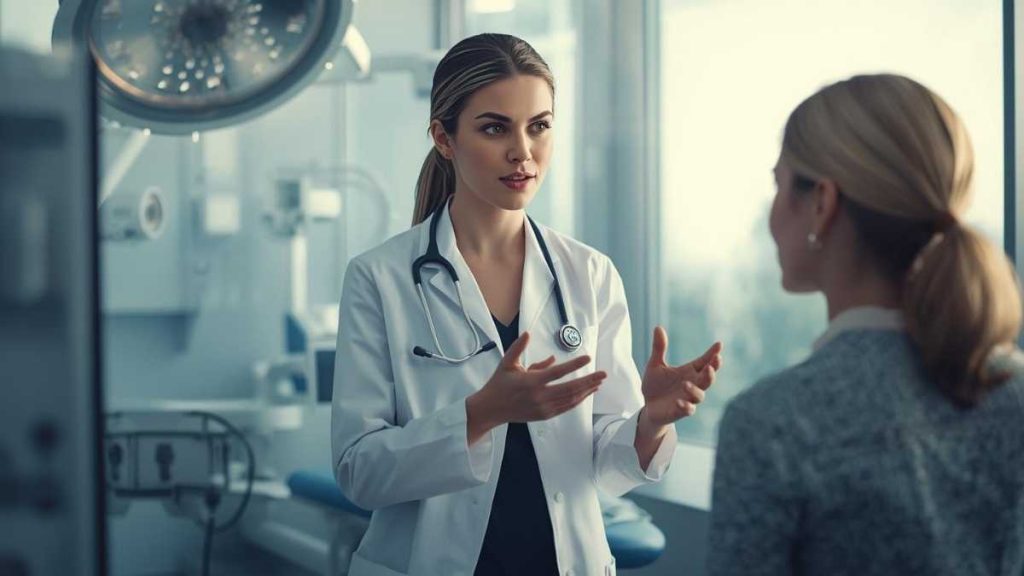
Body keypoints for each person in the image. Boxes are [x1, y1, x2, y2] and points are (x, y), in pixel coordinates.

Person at [331, 33, 722, 576]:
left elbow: (606, 469)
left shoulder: (588, 274)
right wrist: (482, 413)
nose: (523, 151)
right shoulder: (380, 278)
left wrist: (650, 421)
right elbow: (359, 472)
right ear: (444, 139)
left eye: (539, 125)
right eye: (495, 128)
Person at [707, 73, 1024, 575]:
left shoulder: (773, 425)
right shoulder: (1013, 394)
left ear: (821, 204)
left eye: (779, 183)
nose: (770, 213)